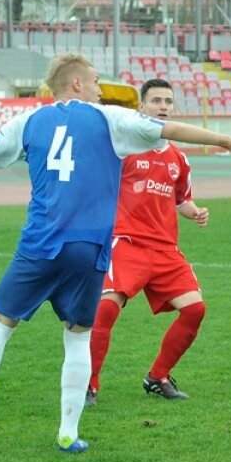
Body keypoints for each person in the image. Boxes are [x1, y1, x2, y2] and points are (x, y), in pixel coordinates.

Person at [0, 54, 231, 452]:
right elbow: (170, 128)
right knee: (77, 338)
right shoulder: (108, 119)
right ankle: (68, 434)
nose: (101, 88)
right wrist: (227, 141)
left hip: (38, 245)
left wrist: (21, 153)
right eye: (95, 80)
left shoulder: (30, 122)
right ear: (76, 84)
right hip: (88, 248)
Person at [86, 79, 210, 406]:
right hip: (126, 244)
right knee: (105, 309)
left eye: (168, 101)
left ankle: (158, 376)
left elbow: (181, 199)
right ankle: (89, 384)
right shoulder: (123, 150)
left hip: (166, 250)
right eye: (155, 101)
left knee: (195, 309)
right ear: (142, 107)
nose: (163, 106)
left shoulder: (179, 159)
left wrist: (194, 212)